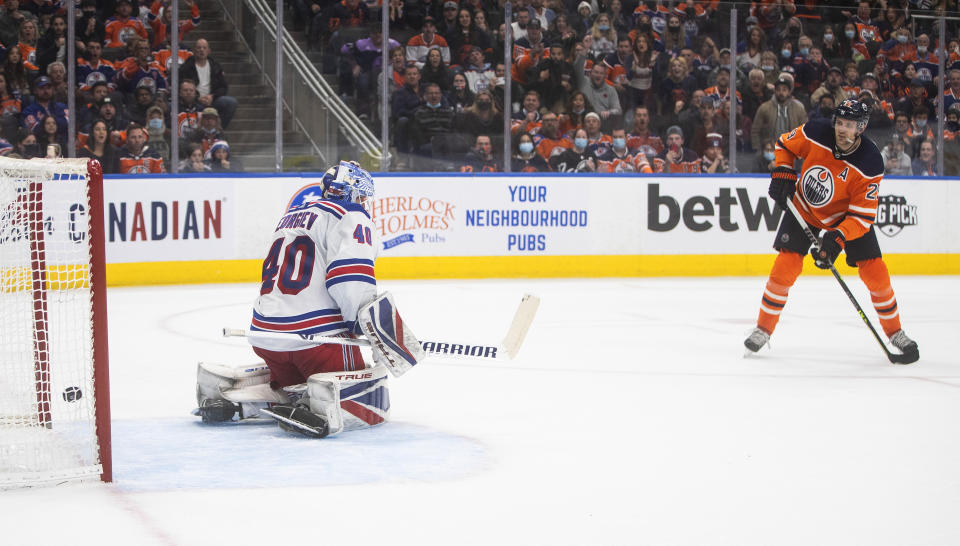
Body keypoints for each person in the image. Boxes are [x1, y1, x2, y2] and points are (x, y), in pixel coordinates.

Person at [195, 161, 407, 438]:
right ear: (352, 193)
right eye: (363, 196)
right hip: (315, 341)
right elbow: (351, 279)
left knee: (294, 385)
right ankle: (320, 407)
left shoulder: (291, 216)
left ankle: (234, 397)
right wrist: (363, 327)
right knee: (374, 392)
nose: (365, 202)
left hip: (267, 338)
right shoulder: (350, 215)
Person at [744, 99, 918, 362]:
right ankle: (763, 329)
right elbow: (784, 145)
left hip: (845, 219)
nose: (841, 129)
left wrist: (837, 237)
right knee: (785, 268)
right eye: (839, 122)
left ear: (861, 127)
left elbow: (862, 216)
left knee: (876, 274)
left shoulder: (870, 163)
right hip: (805, 208)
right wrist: (783, 170)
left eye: (849, 124)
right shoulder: (816, 131)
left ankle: (895, 332)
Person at [178, 39, 238, 128]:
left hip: (212, 99)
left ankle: (218, 131)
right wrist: (197, 97)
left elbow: (223, 87)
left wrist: (212, 96)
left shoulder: (215, 66)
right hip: (194, 100)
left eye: (204, 48)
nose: (201, 50)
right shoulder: (186, 67)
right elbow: (181, 85)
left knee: (231, 102)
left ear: (209, 51)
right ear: (194, 51)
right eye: (199, 48)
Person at [751, 74, 807, 152]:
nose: (781, 92)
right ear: (774, 91)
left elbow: (805, 130)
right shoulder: (764, 108)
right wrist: (757, 148)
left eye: (784, 90)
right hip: (769, 150)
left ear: (789, 92)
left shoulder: (799, 108)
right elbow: (755, 130)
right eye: (778, 89)